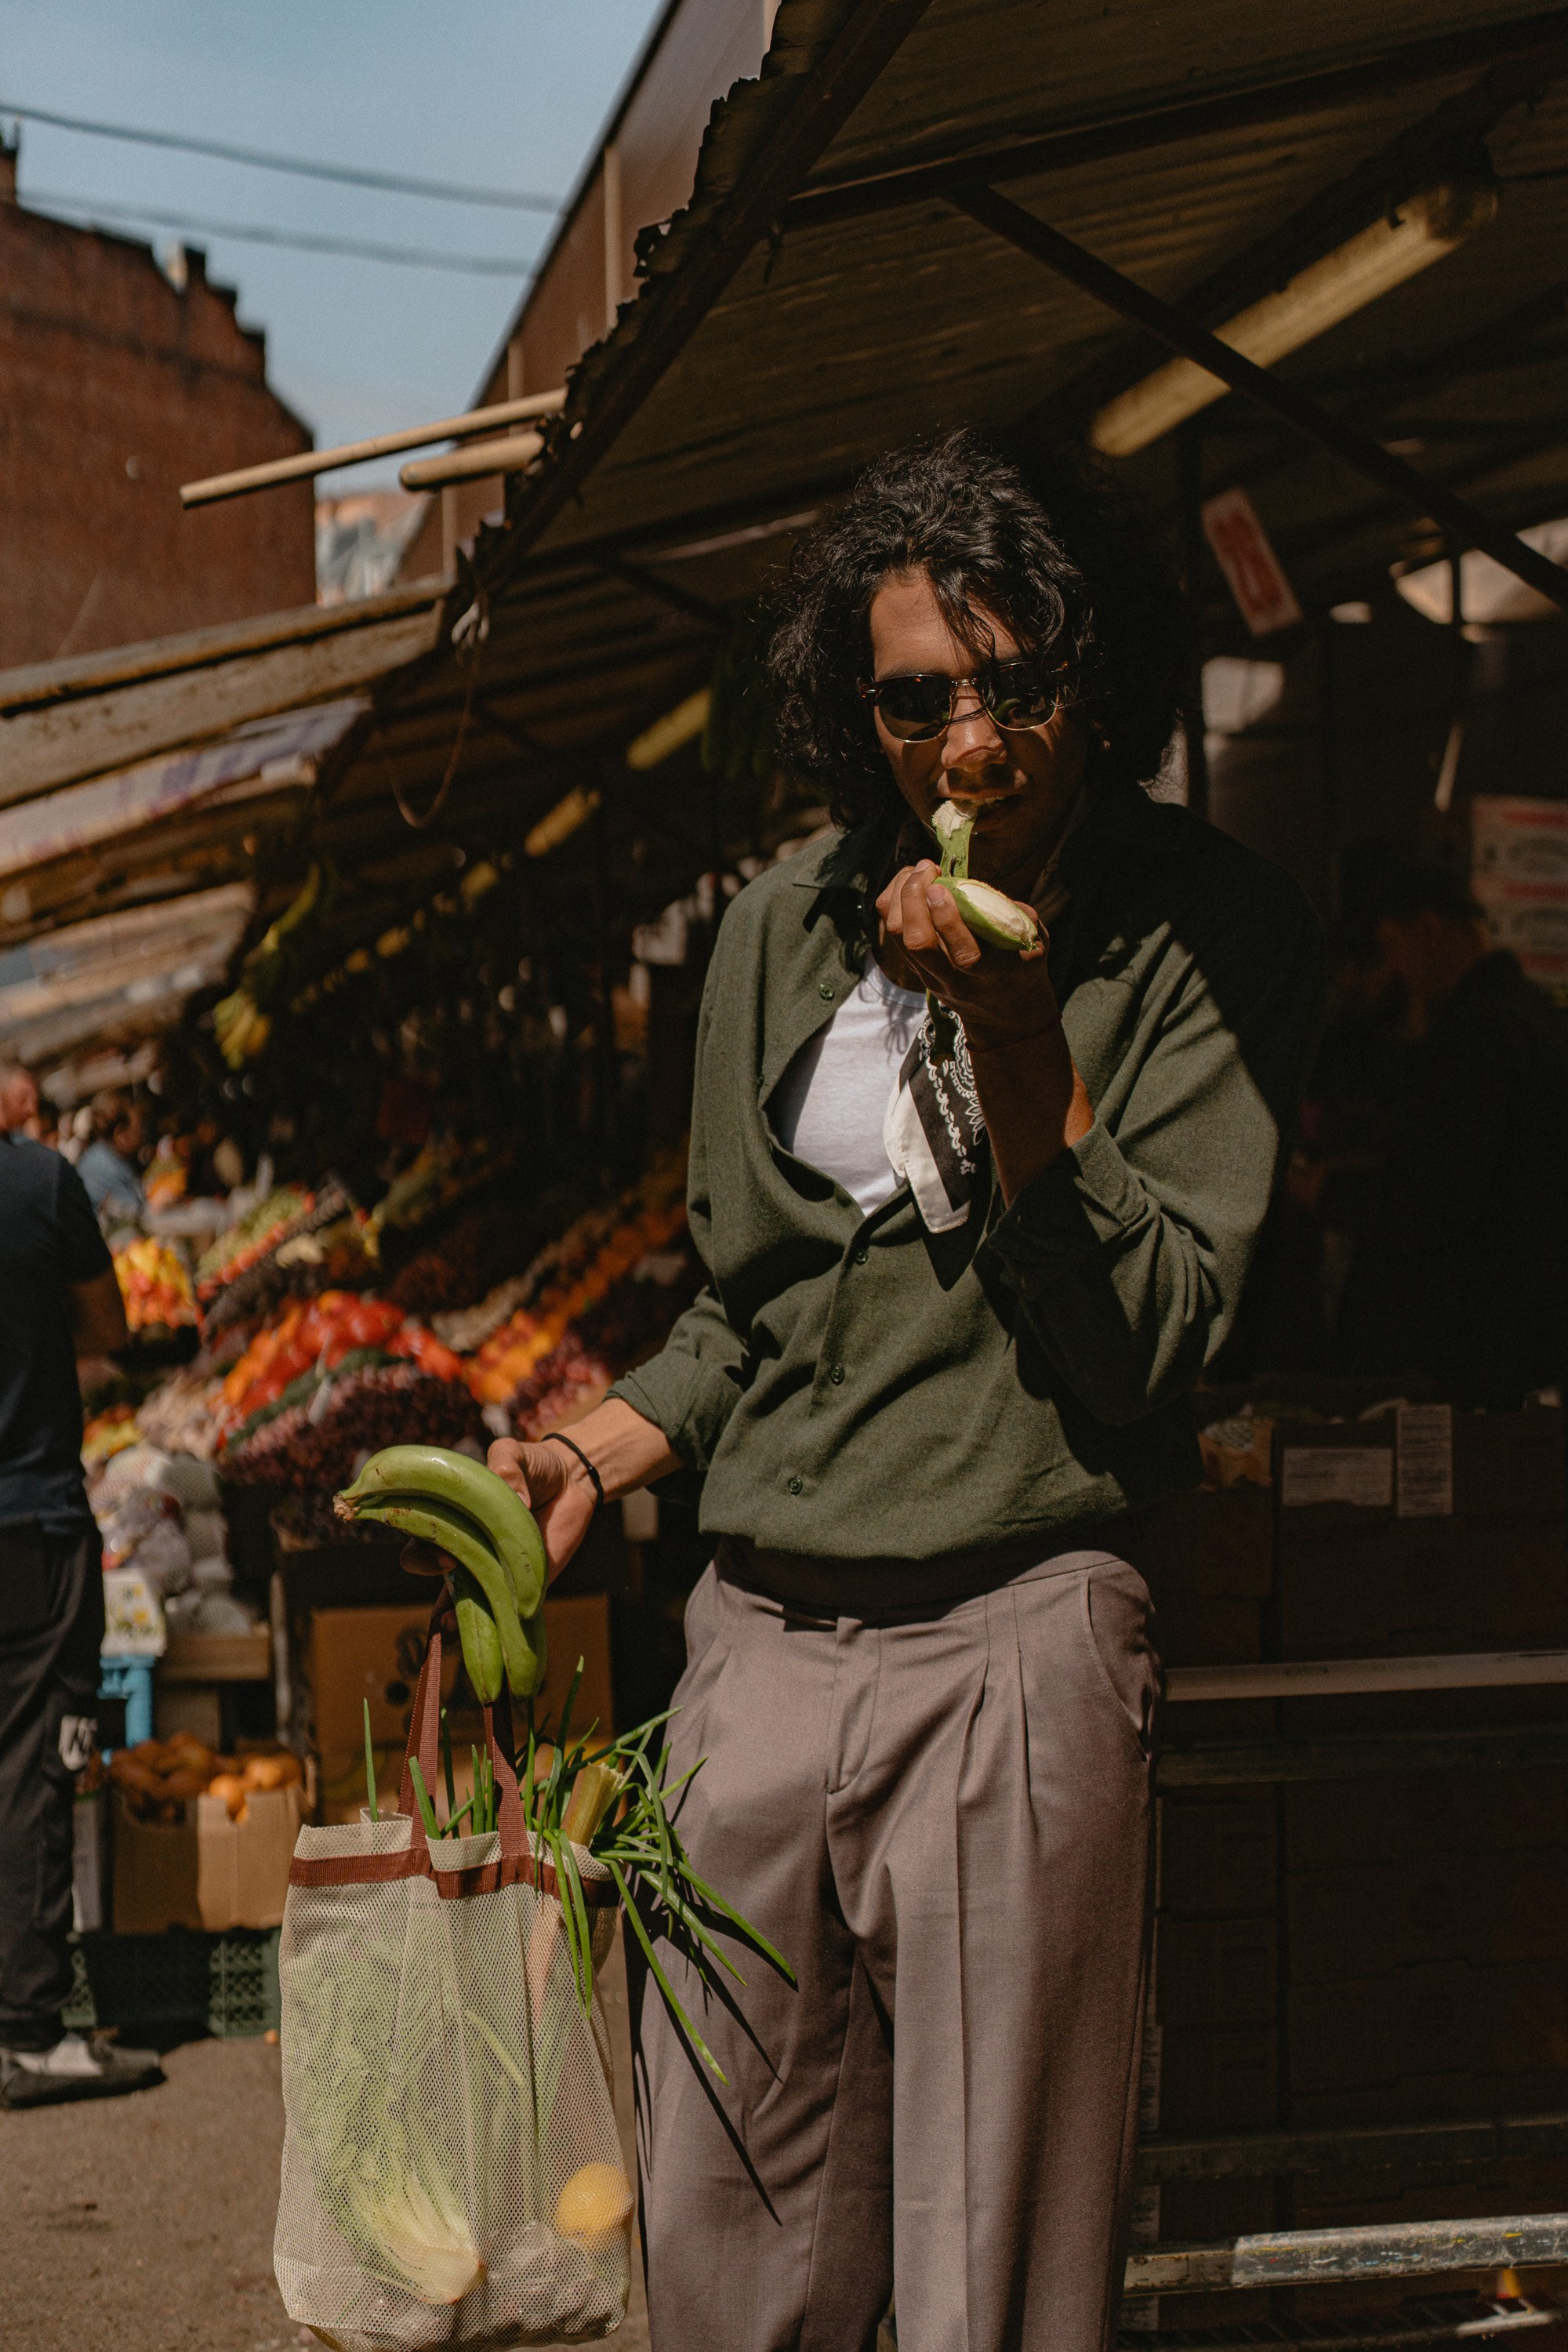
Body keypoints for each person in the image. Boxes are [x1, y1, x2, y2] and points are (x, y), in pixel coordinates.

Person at [478, 434, 1323, 2350]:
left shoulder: (1207, 935)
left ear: (1094, 678)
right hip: (757, 1650)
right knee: (722, 2251)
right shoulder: (776, 932)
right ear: (852, 708)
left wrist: (1016, 1033)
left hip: (1011, 1632)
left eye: (1017, 686)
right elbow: (750, 1309)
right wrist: (596, 1446)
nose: (969, 744)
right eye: (917, 699)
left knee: (986, 2270)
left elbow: (1146, 1337)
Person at [0, 1059, 162, 2106]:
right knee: (34, 1765)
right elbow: (110, 1331)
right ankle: (29, 2030)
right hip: (33, 1523)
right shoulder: (41, 1183)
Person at [1335, 844, 1568, 1406]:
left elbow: (1435, 1196)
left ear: (1429, 930)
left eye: (1392, 947)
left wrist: (1334, 1192)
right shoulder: (1540, 1019)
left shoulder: (1474, 1036)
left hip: (1480, 1348)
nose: (1394, 968)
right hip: (1538, 1341)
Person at [75, 1092, 146, 1221]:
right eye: (137, 1130)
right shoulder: (102, 1166)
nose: (142, 1137)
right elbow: (134, 1213)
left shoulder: (110, 1157)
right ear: (120, 1133)